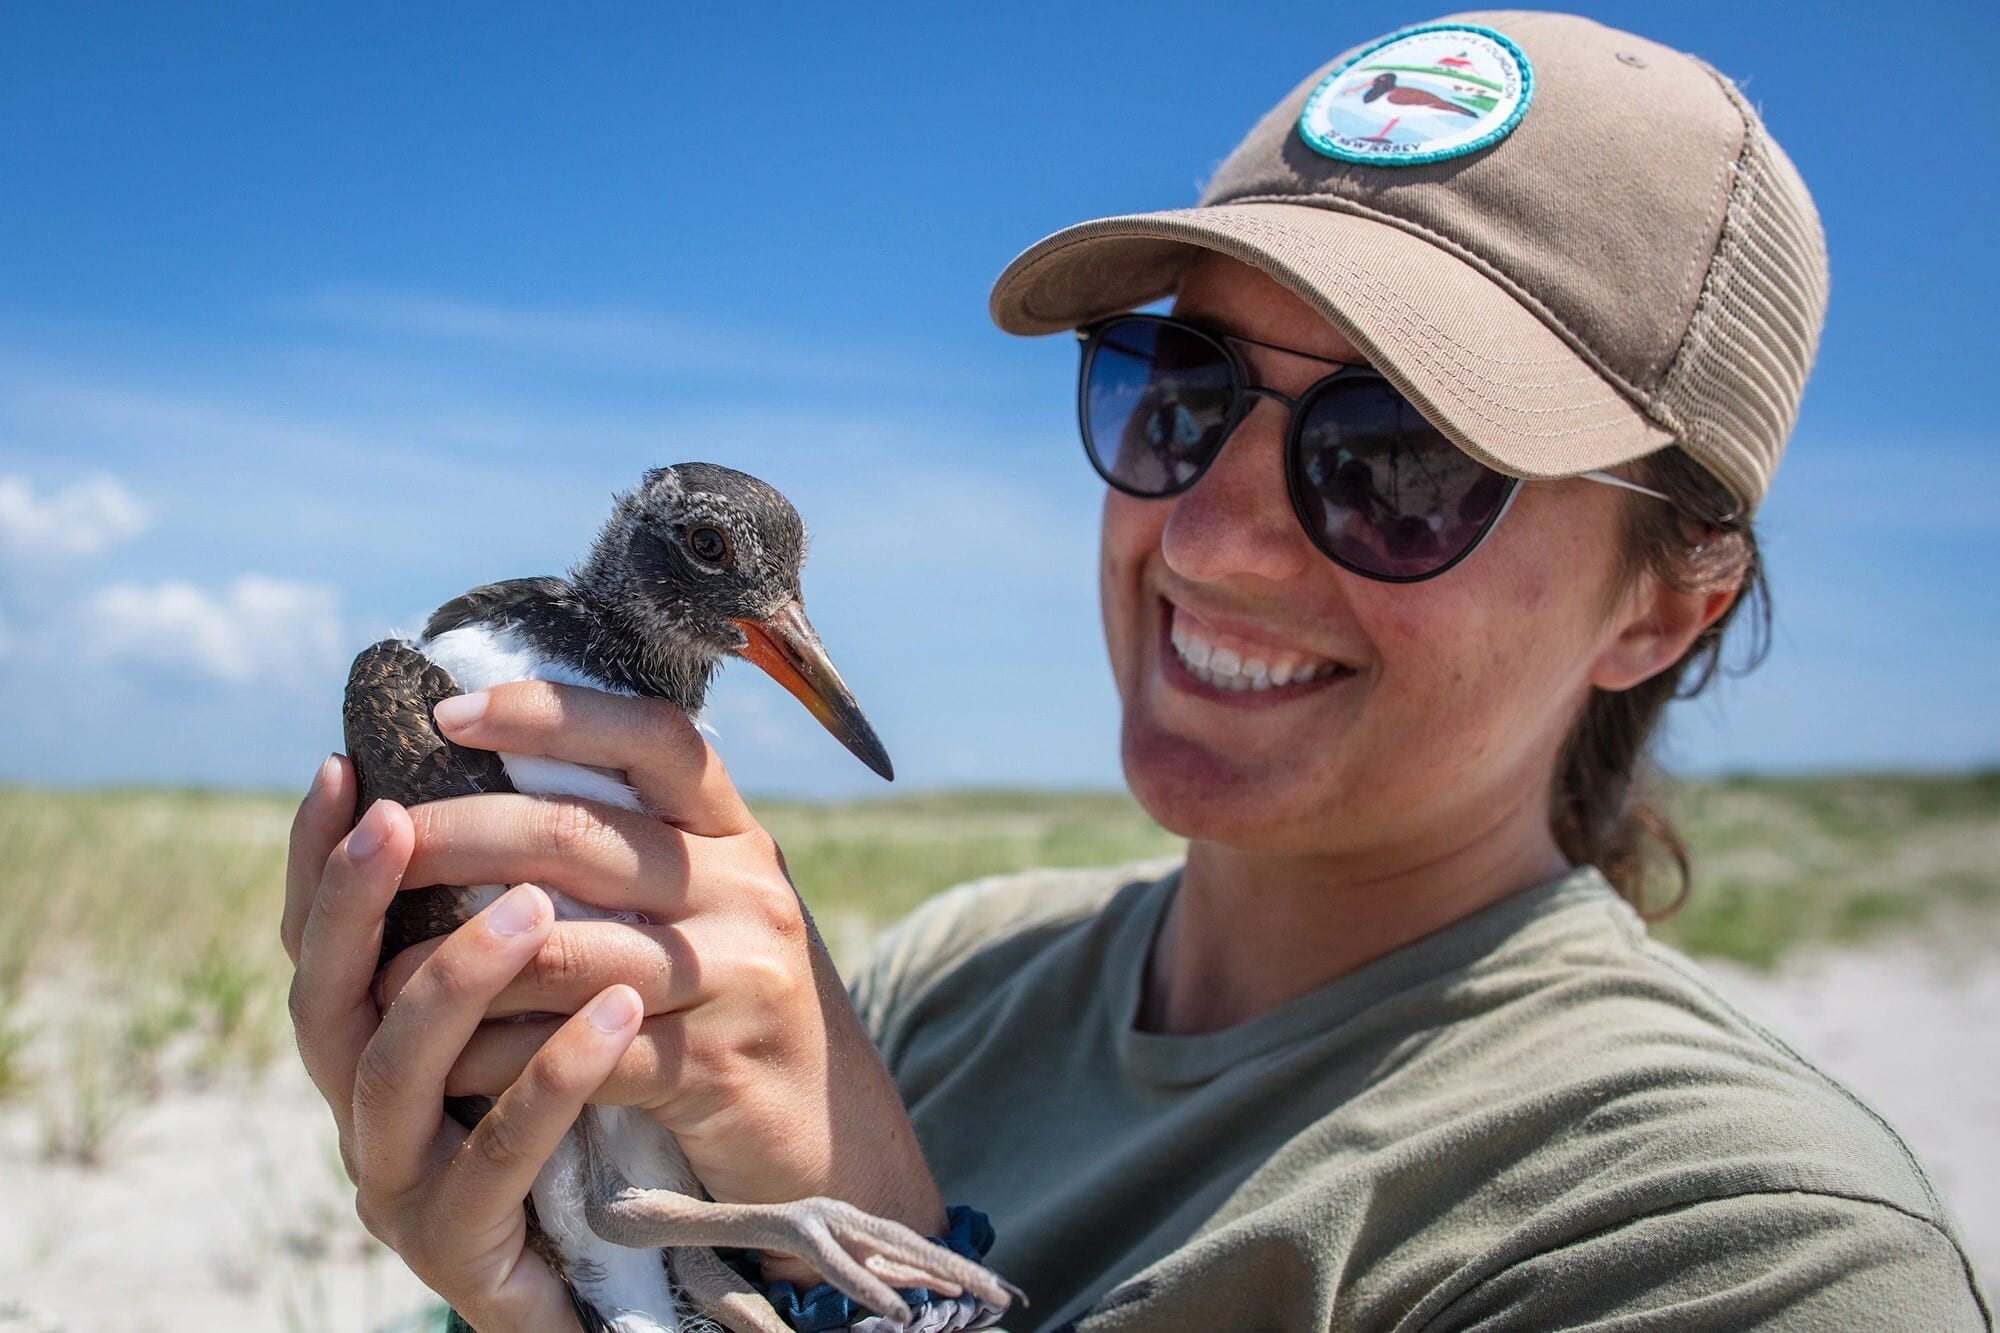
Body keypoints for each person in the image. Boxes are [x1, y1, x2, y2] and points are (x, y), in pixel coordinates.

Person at [283, 12, 1991, 1331]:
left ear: (1669, 605)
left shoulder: (1743, 1244)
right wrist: (519, 1294)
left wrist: (862, 1204)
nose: (1211, 542)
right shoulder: (951, 975)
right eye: (1176, 387)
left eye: (1399, 457)